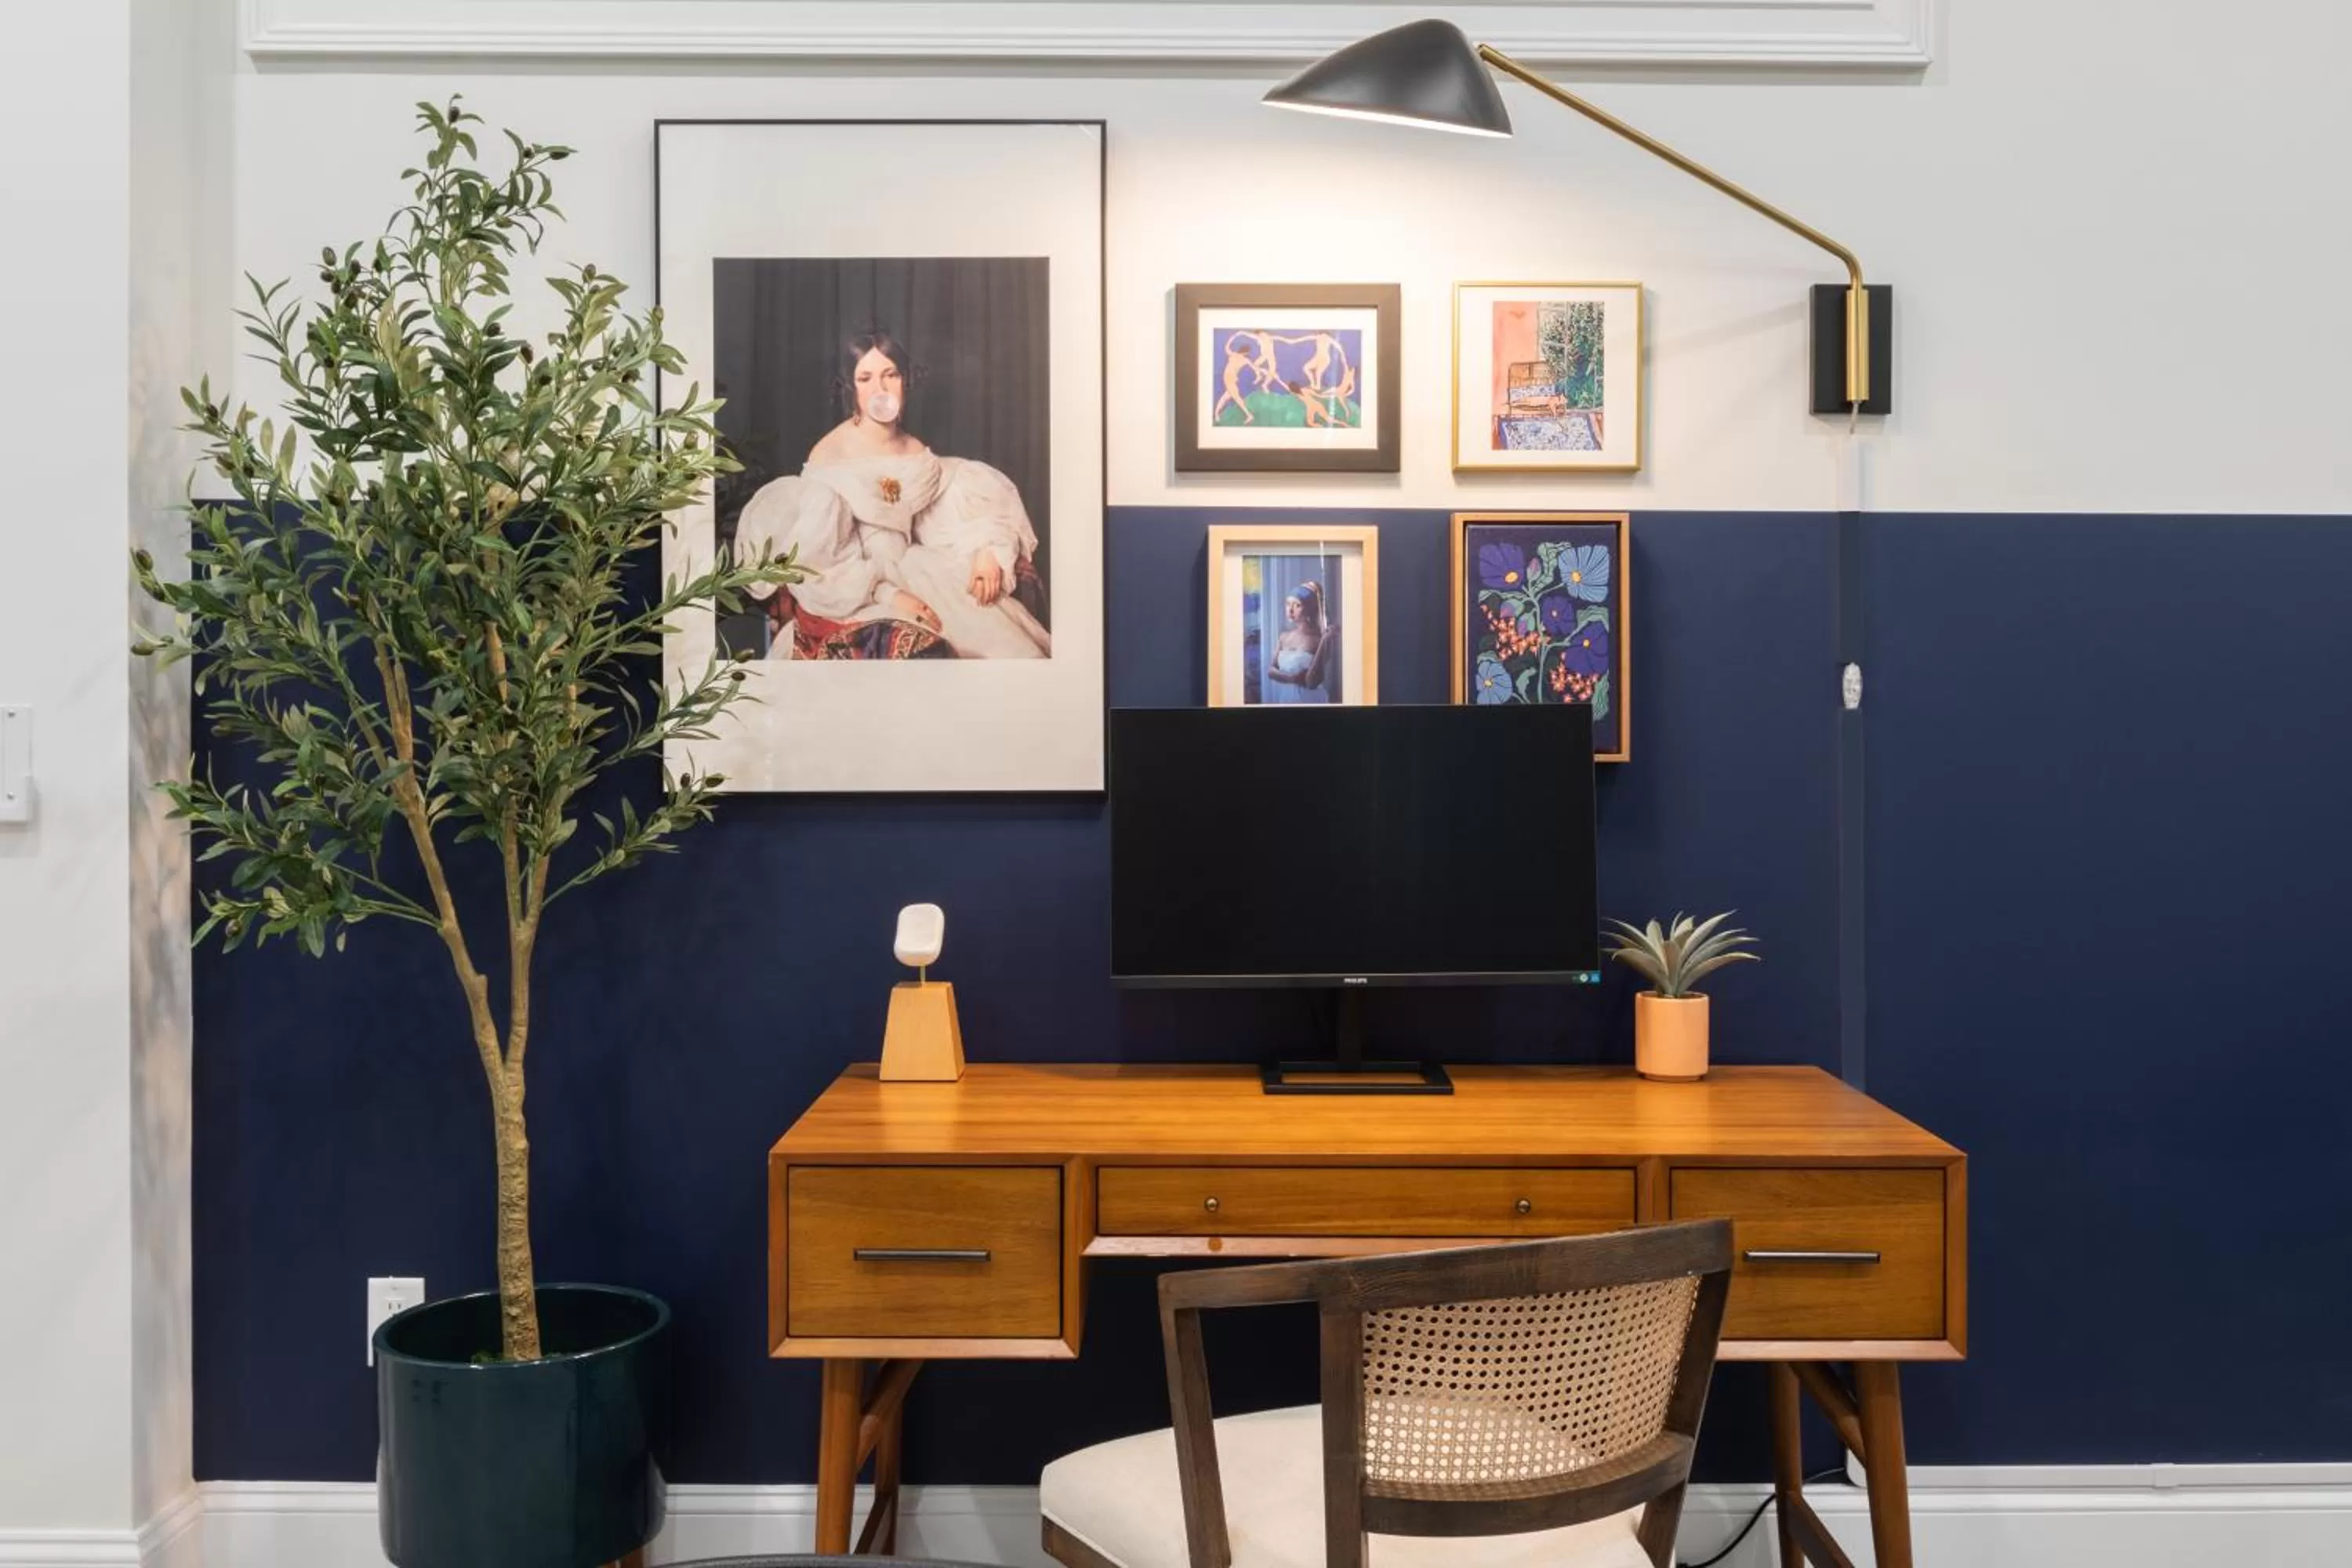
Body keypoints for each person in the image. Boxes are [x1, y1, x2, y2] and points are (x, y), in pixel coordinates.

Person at [731, 329, 1050, 659]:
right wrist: (890, 596)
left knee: (1008, 650)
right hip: (863, 588)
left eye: (890, 375)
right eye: (865, 378)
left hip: (922, 570)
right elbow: (824, 559)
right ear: (850, 387)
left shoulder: (914, 449)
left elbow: (952, 514)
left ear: (905, 381)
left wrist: (987, 550)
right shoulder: (830, 454)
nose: (880, 389)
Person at [1262, 579, 1336, 703]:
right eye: (1288, 604)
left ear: (1309, 608)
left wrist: (1324, 641)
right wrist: (1292, 678)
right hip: (1286, 698)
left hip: (1310, 699)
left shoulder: (1320, 639)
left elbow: (1312, 682)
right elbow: (1270, 671)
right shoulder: (1284, 637)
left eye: (1297, 605)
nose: (1290, 610)